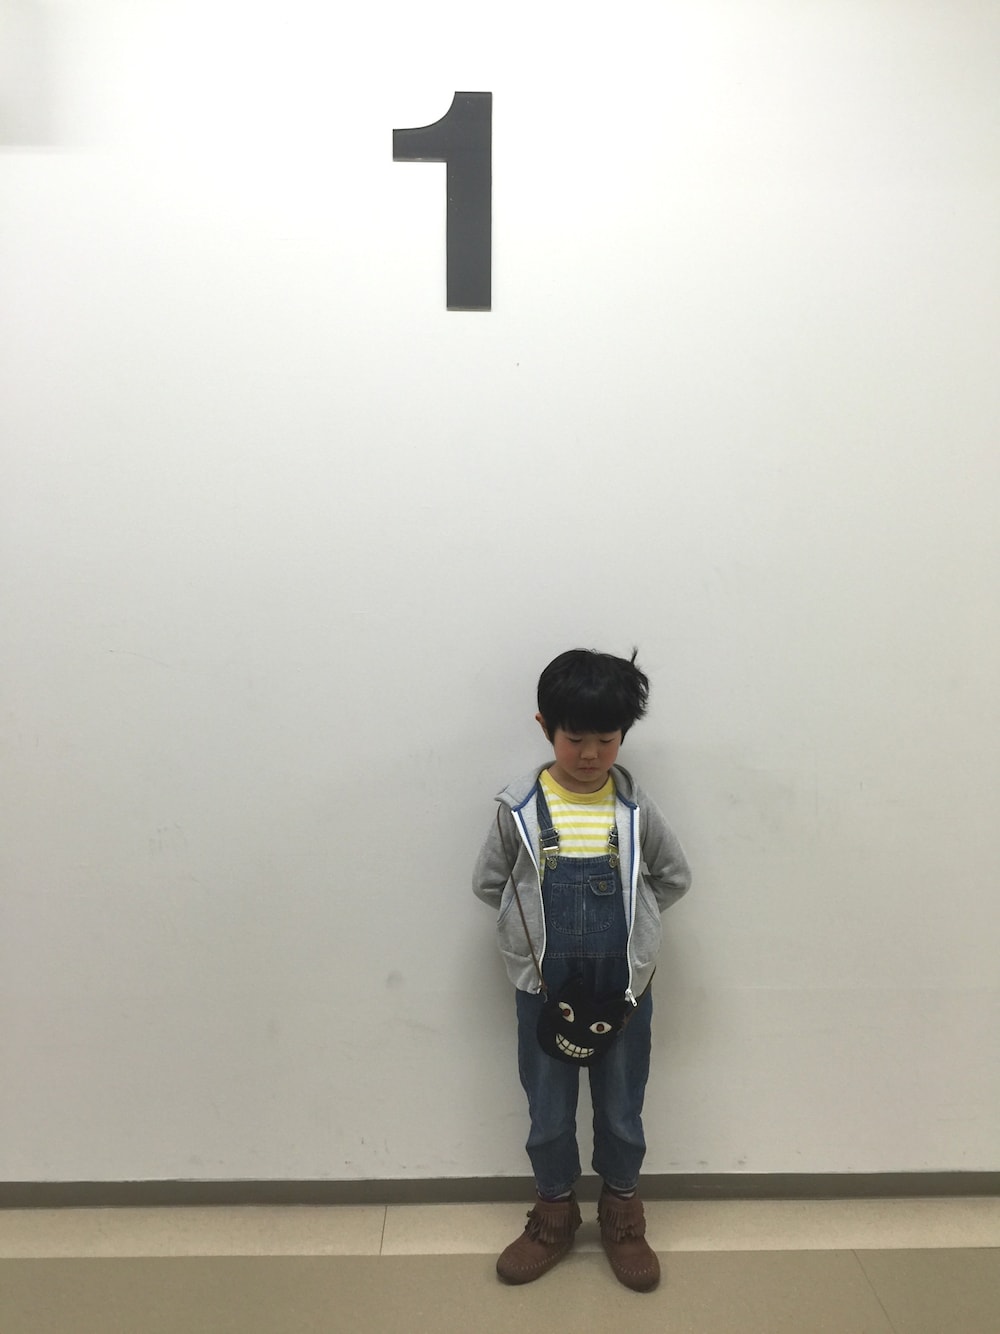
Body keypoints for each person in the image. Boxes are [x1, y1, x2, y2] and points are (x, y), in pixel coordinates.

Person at [473, 648, 691, 1292]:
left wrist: (637, 932)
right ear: (545, 727)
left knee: (622, 1106)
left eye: (606, 738)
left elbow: (673, 877)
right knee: (548, 1108)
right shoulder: (519, 809)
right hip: (545, 988)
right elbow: (490, 885)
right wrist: (526, 949)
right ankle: (553, 1214)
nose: (591, 754)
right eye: (575, 739)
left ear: (624, 734)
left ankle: (622, 1214)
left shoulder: (636, 810)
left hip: (623, 988)